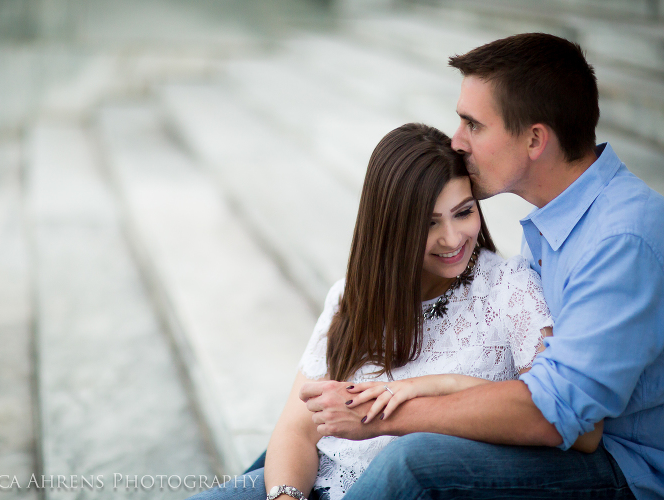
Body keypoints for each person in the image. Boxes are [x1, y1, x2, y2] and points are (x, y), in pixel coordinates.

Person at [301, 33, 664, 499]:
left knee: (414, 460)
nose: (456, 141)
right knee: (300, 458)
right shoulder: (562, 220)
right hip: (578, 443)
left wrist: (382, 417)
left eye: (473, 124)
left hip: (623, 467)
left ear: (535, 139)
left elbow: (557, 411)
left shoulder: (620, 239)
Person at [189, 122, 598, 500]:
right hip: (317, 479)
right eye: (429, 223)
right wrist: (284, 497)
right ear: (391, 226)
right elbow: (297, 428)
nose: (453, 238)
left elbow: (558, 414)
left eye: (464, 212)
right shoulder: (352, 296)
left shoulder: (511, 289)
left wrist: (445, 384)